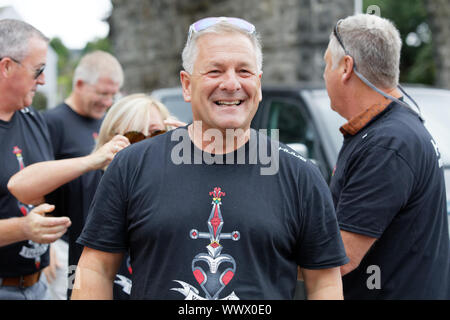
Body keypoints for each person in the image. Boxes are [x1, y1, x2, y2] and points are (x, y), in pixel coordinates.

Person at [72, 17, 348, 300]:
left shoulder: (300, 176)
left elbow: (324, 282)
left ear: (259, 83)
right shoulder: (131, 166)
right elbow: (96, 269)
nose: (231, 84)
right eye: (215, 71)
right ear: (186, 84)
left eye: (244, 71)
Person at [323, 14, 449, 299]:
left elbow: (339, 258)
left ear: (345, 68)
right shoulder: (391, 129)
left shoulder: (387, 145)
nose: (324, 74)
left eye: (326, 63)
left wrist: (258, 250)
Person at [8, 93, 178, 299]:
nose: (145, 147)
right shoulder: (90, 182)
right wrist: (94, 160)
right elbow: (19, 186)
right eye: (134, 137)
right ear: (110, 139)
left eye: (156, 135)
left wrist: (195, 157)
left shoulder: (179, 185)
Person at [41, 50, 124, 299]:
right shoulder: (50, 123)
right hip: (61, 244)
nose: (108, 101)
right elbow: (33, 185)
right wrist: (44, 247)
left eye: (113, 94)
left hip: (93, 244)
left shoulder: (104, 122)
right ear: (79, 84)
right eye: (102, 93)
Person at [0, 19, 71, 300]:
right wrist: (24, 229)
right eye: (38, 70)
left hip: (37, 285)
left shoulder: (33, 119)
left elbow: (38, 196)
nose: (43, 80)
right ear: (6, 67)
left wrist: (46, 242)